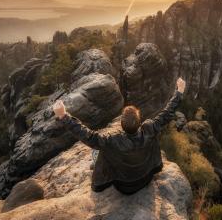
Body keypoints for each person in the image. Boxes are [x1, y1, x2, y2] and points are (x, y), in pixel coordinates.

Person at [52, 78, 186, 195]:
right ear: (140, 122)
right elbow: (167, 112)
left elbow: (88, 136)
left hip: (124, 186)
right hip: (146, 177)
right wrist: (179, 91)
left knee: (97, 151)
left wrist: (64, 116)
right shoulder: (150, 129)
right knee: (101, 148)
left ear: (121, 125)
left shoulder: (112, 140)